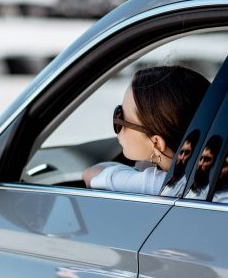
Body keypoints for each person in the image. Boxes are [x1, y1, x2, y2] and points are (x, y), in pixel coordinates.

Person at [84, 65, 210, 195]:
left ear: (156, 143)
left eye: (121, 118)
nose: (118, 128)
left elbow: (90, 175)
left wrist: (139, 171)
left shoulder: (161, 184)